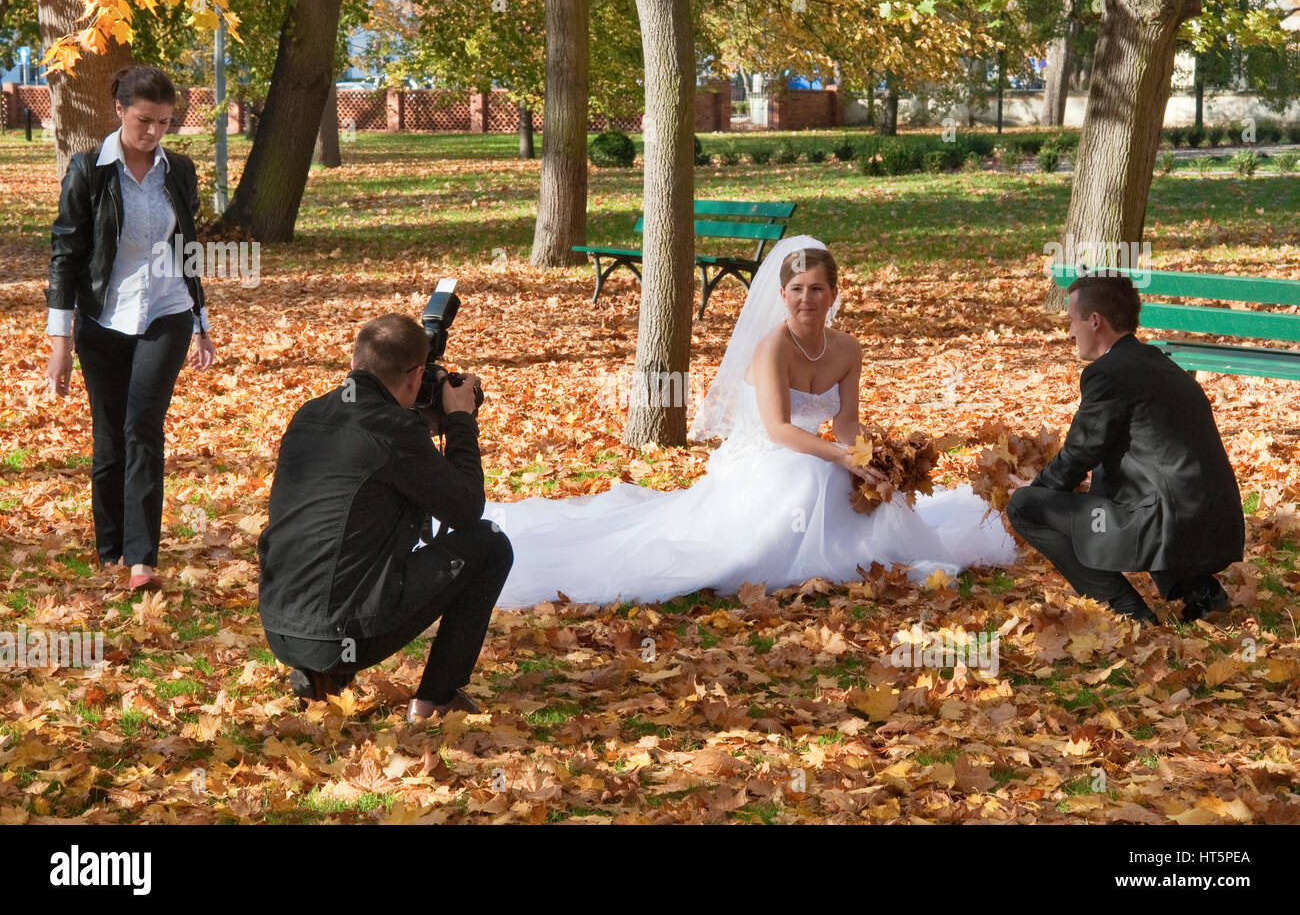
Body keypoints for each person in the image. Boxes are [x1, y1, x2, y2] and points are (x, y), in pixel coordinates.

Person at [483, 236, 1018, 609]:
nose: (807, 299)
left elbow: (848, 423)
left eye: (817, 289)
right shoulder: (772, 348)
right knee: (811, 475)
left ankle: (868, 551)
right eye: (797, 290)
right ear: (782, 295)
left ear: (834, 294)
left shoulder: (848, 348)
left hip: (815, 451)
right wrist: (841, 458)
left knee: (864, 486)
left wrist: (869, 459)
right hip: (765, 456)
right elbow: (782, 431)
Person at [256, 314, 512, 721]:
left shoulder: (310, 413)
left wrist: (421, 423)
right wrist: (460, 421)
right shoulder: (394, 430)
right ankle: (436, 701)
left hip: (279, 625)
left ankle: (322, 676)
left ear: (355, 364)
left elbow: (370, 465)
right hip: (336, 633)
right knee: (490, 543)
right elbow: (466, 509)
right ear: (414, 378)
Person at [45, 65, 215, 590]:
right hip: (102, 318)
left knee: (143, 427)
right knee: (109, 438)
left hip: (164, 313)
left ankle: (142, 559)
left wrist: (199, 321)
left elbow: (187, 249)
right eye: (145, 120)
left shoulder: (179, 172)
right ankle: (110, 548)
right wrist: (60, 343)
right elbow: (65, 255)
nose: (155, 132)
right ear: (120, 111)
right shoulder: (89, 170)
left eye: (165, 122)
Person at [1007, 271, 1244, 623]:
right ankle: (1201, 593)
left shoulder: (1107, 373)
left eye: (1072, 321)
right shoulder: (1162, 364)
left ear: (1095, 321)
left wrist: (1038, 490)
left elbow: (1080, 452)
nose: (1070, 333)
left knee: (1025, 507)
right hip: (1216, 524)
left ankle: (1128, 612)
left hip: (1173, 526)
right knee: (1113, 488)